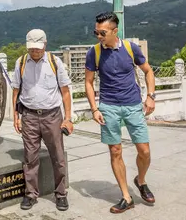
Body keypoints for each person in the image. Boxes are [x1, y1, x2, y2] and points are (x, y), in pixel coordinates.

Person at [84, 11, 157, 214]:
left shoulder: (130, 48)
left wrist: (151, 96)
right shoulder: (94, 53)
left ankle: (140, 180)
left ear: (115, 31)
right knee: (115, 151)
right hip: (109, 107)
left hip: (133, 105)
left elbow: (148, 71)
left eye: (102, 33)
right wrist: (94, 108)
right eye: (96, 32)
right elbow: (88, 82)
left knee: (145, 151)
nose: (98, 36)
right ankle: (126, 196)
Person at [12, 29, 74, 212]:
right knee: (30, 157)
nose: (35, 52)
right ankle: (31, 194)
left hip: (52, 116)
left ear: (45, 45)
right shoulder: (21, 62)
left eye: (38, 49)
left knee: (58, 156)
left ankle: (61, 194)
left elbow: (65, 91)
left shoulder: (55, 62)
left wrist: (68, 118)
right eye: (31, 49)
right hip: (29, 116)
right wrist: (16, 116)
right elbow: (16, 90)